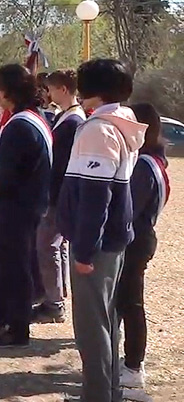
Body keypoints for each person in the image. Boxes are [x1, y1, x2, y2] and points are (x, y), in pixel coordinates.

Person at [58, 59, 145, 402]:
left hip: (95, 245)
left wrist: (83, 251)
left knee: (92, 328)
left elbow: (95, 197)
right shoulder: (121, 123)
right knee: (106, 321)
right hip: (113, 241)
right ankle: (108, 393)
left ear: (87, 91)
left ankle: (96, 396)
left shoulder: (98, 129)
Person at [0, 64, 52, 349]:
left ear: (7, 91)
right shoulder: (30, 118)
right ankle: (0, 315)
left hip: (17, 208)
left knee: (16, 269)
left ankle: (18, 329)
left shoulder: (20, 125)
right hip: (22, 206)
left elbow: (4, 172)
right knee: (4, 265)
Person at [117, 103, 168, 398]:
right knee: (126, 304)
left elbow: (129, 210)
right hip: (139, 238)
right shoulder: (152, 161)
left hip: (134, 242)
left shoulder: (145, 166)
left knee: (131, 305)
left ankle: (133, 371)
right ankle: (129, 365)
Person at [34, 69, 85, 324]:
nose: (49, 94)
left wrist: (50, 196)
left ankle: (54, 303)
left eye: (52, 89)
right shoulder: (66, 116)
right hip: (58, 194)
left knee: (47, 245)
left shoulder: (73, 121)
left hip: (57, 194)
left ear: (63, 90)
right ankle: (57, 295)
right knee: (57, 246)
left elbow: (61, 164)